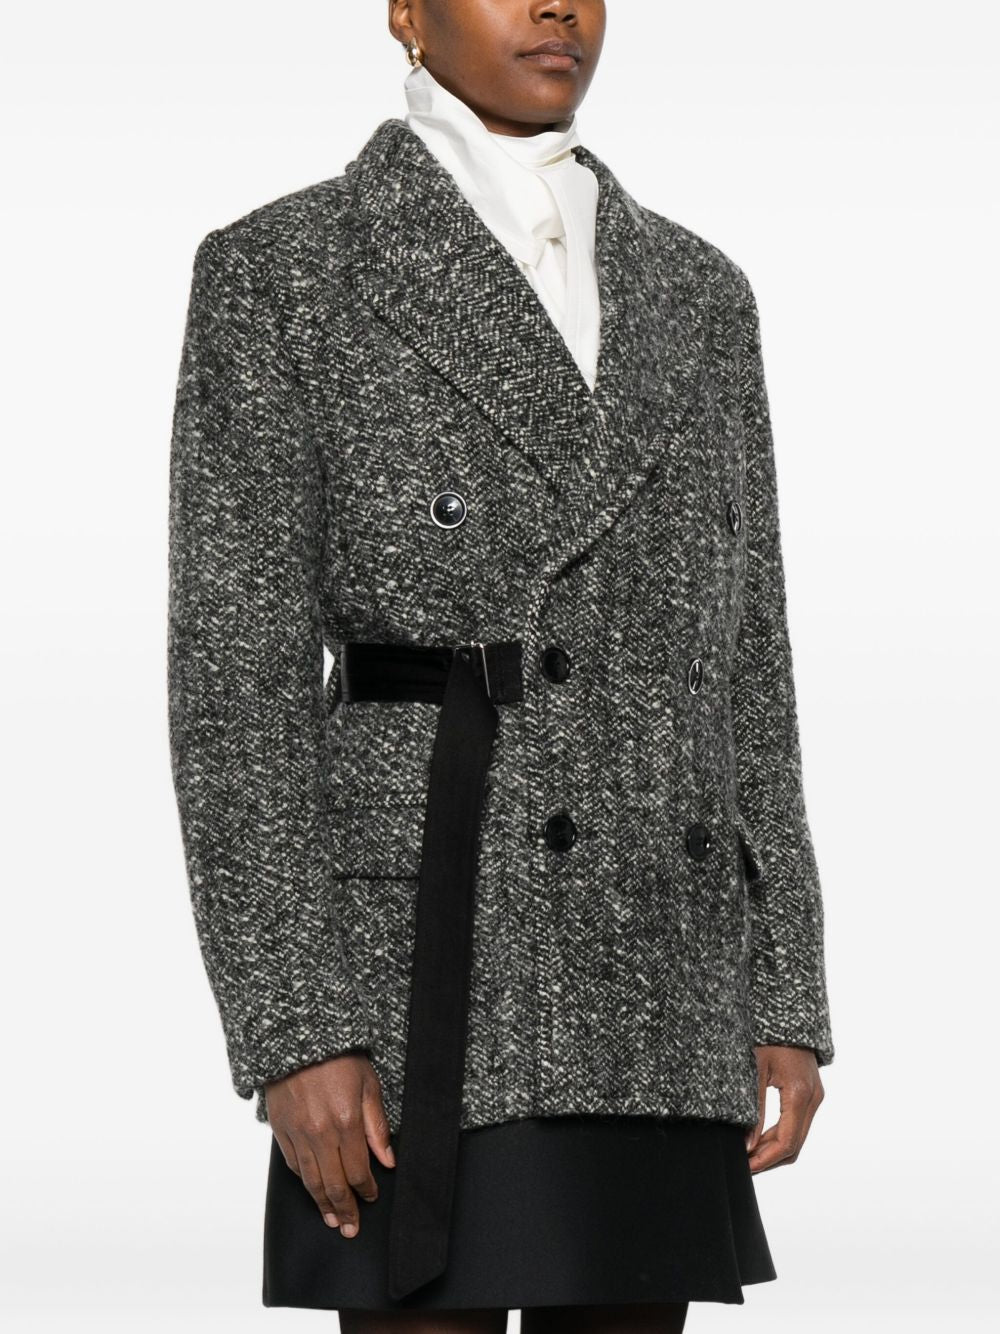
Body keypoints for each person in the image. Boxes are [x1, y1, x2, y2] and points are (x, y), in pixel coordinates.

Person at [167, 2, 835, 1330]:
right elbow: (234, 687)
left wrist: (784, 987)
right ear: (406, 12)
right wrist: (294, 1025)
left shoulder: (701, 294)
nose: (556, 6)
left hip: (660, 958)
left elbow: (748, 662)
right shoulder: (287, 270)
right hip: (419, 959)